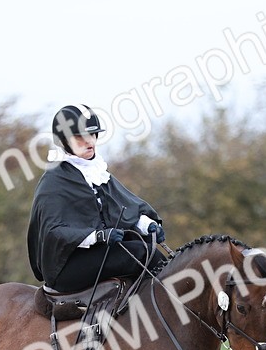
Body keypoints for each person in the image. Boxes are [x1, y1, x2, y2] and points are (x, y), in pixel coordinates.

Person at [27, 104, 166, 293]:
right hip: (67, 266)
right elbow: (54, 232)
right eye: (79, 137)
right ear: (63, 141)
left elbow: (123, 206)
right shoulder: (53, 180)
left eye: (92, 135)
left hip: (99, 254)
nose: (89, 141)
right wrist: (97, 236)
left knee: (145, 247)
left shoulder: (96, 170)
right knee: (142, 254)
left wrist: (147, 225)